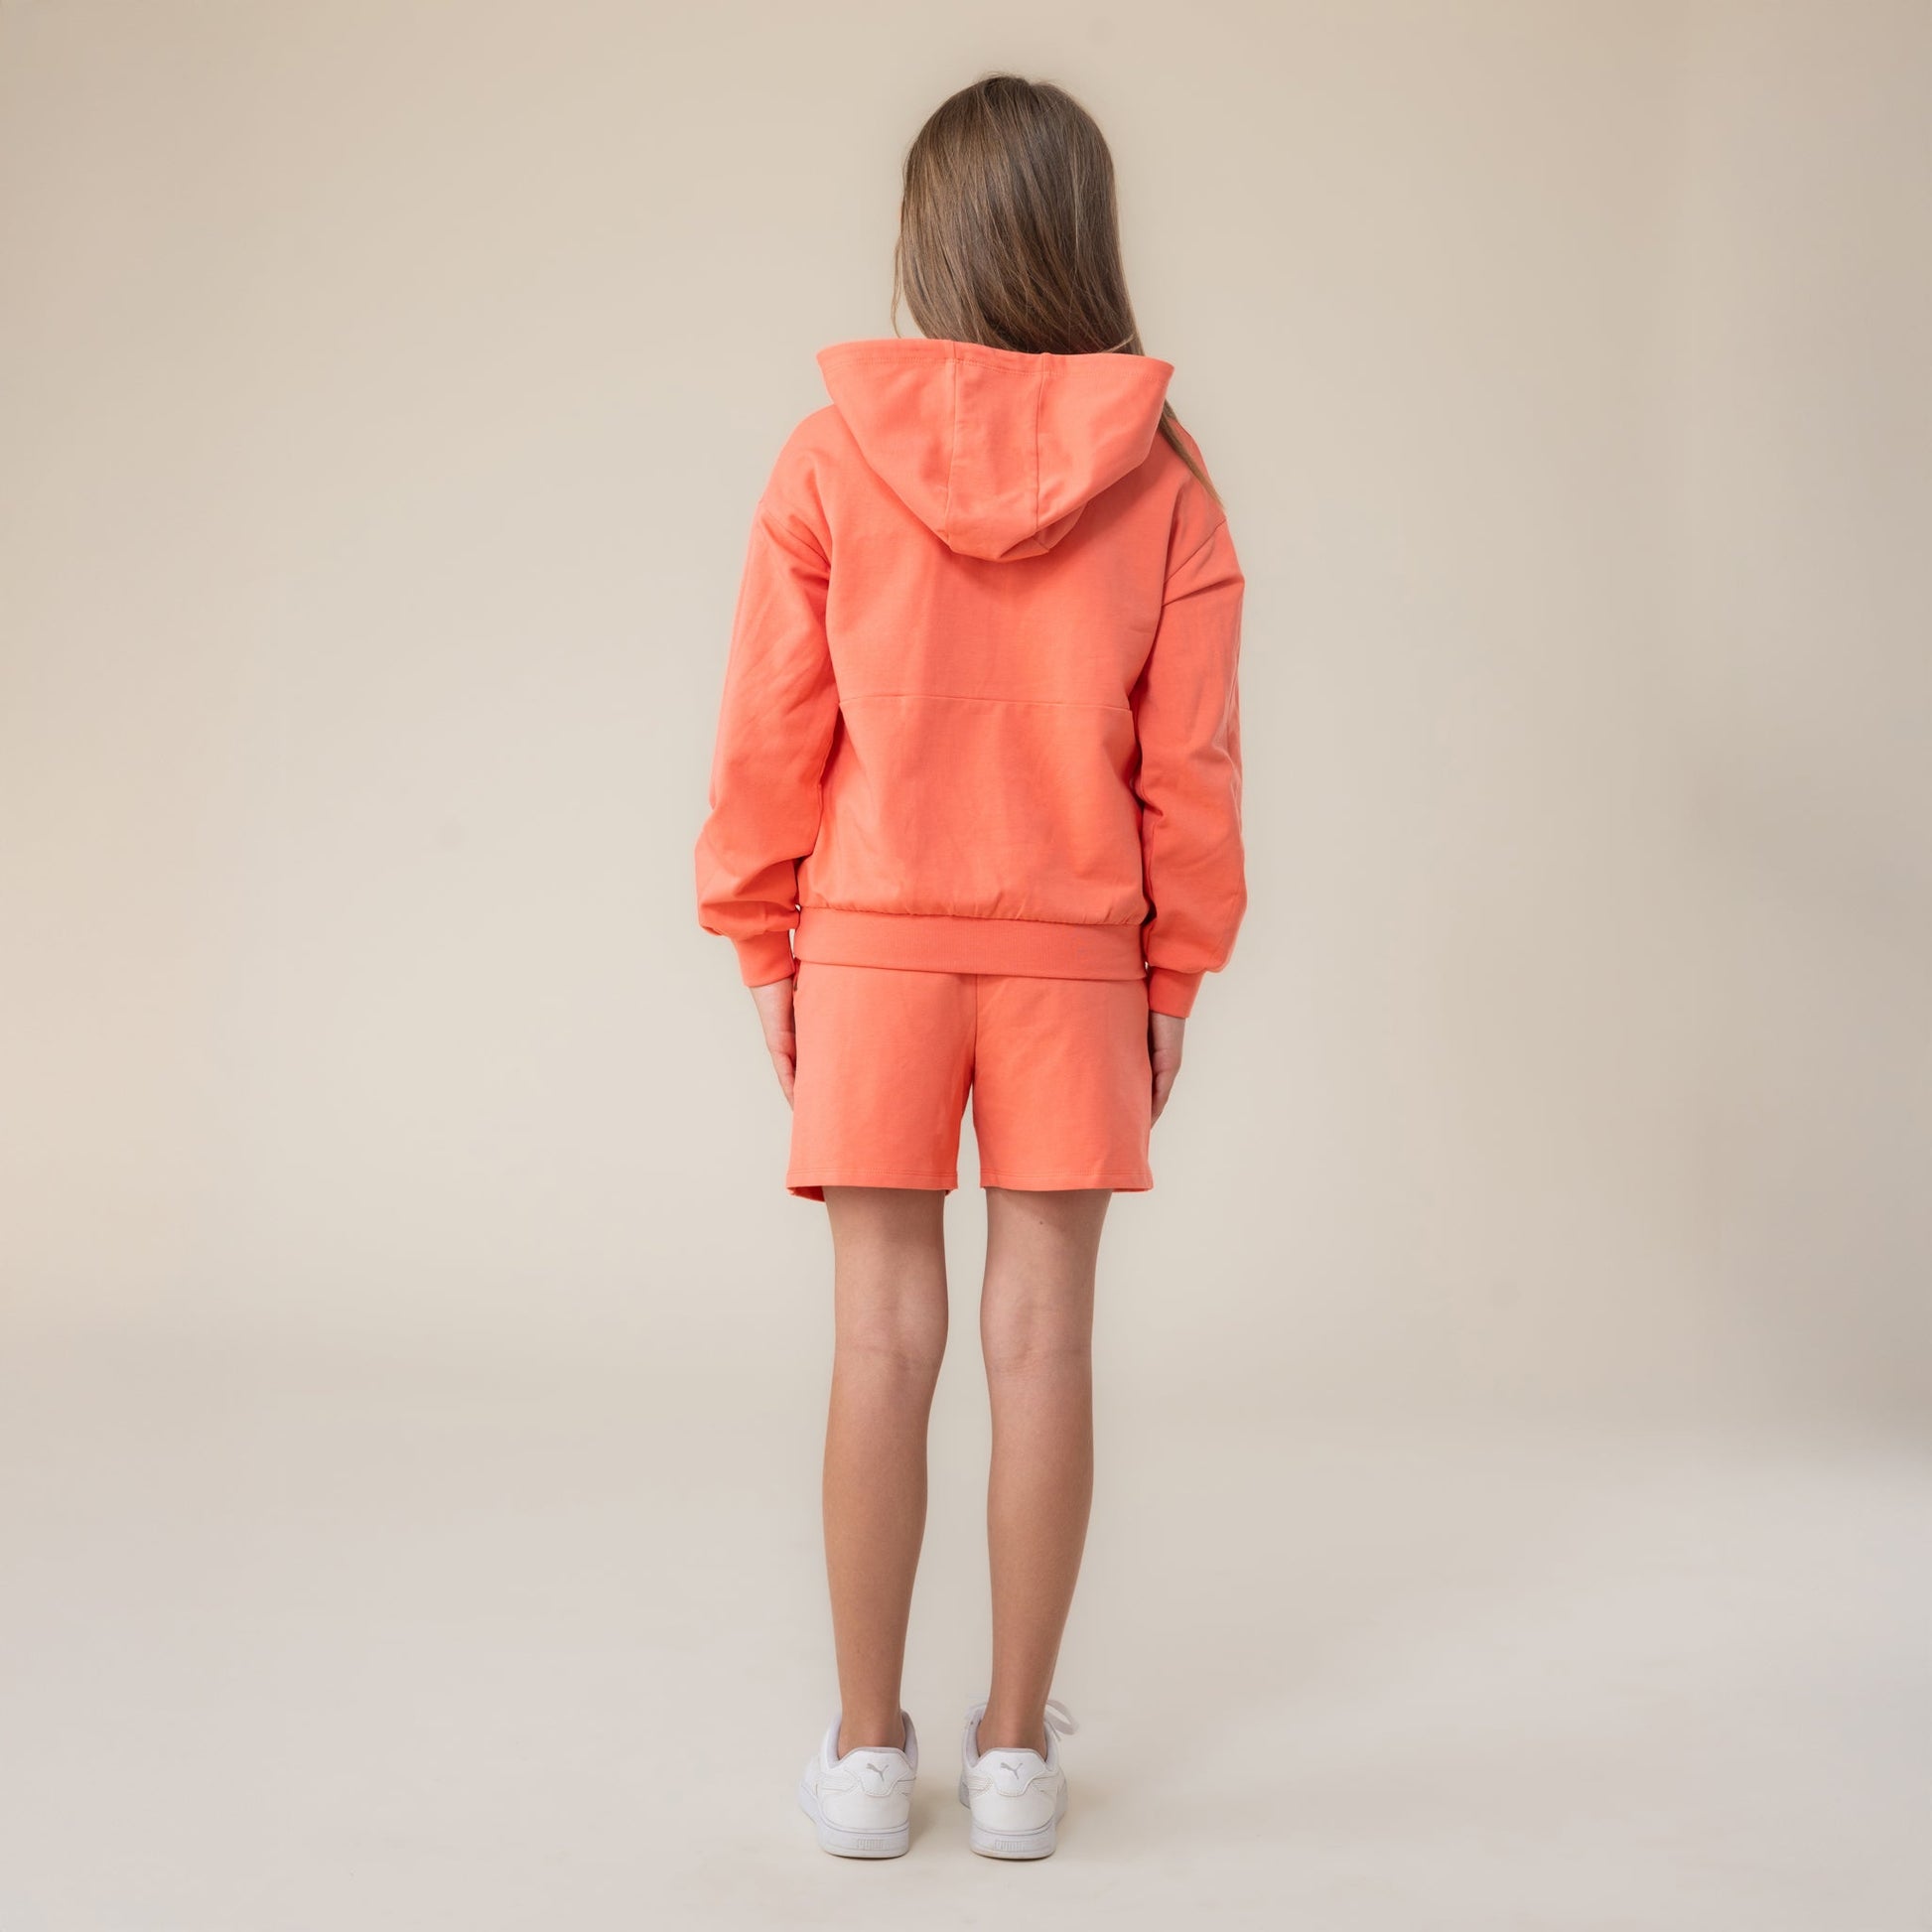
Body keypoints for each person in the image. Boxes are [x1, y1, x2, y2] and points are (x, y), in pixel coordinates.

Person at [694, 72, 1246, 1862]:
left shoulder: (828, 456)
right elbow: (1189, 767)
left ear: (927, 241)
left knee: (879, 1331)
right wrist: (1173, 973)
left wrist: (761, 929)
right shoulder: (1164, 482)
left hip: (871, 939)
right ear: (1085, 236)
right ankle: (1012, 1753)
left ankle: (868, 1754)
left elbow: (768, 728)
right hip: (1073, 955)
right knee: (1042, 1335)